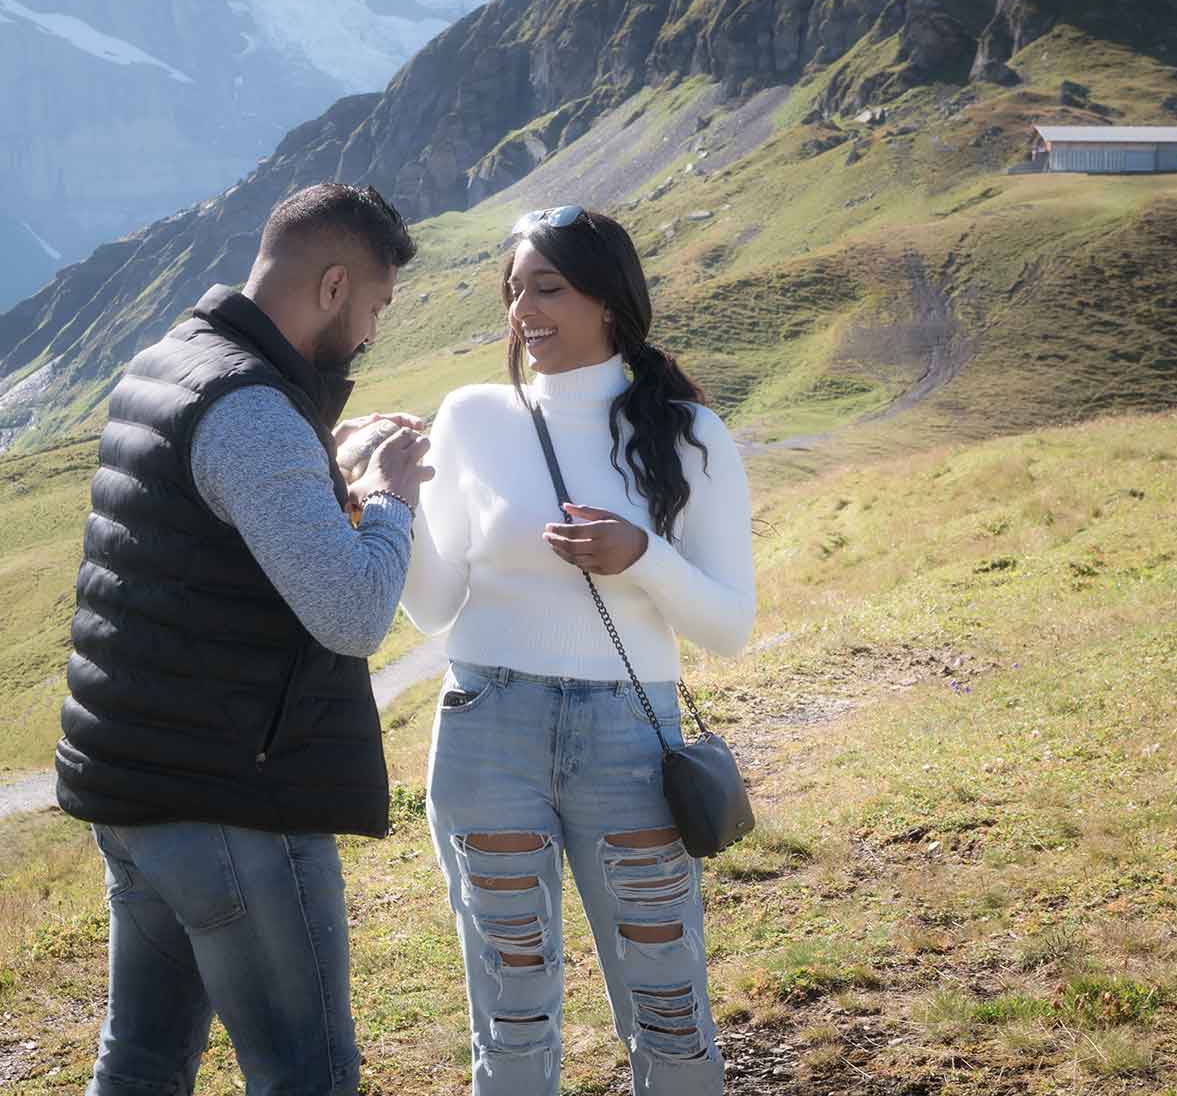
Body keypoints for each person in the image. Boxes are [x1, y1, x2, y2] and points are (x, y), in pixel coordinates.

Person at [54, 182, 432, 1096]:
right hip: (233, 803)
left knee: (143, 1058)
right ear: (334, 286)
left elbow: (215, 532)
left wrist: (319, 461)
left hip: (136, 788)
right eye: (376, 306)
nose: (376, 331)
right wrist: (389, 495)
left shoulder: (172, 361)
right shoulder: (254, 411)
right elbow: (350, 612)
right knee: (308, 1072)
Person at [402, 206, 756, 1094]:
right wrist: (391, 502)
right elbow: (435, 608)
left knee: (669, 1011)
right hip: (486, 729)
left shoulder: (688, 434)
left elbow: (730, 626)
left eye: (548, 287)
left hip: (626, 742)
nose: (525, 309)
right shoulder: (473, 416)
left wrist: (644, 557)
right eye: (514, 290)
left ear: (609, 297)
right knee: (510, 1014)